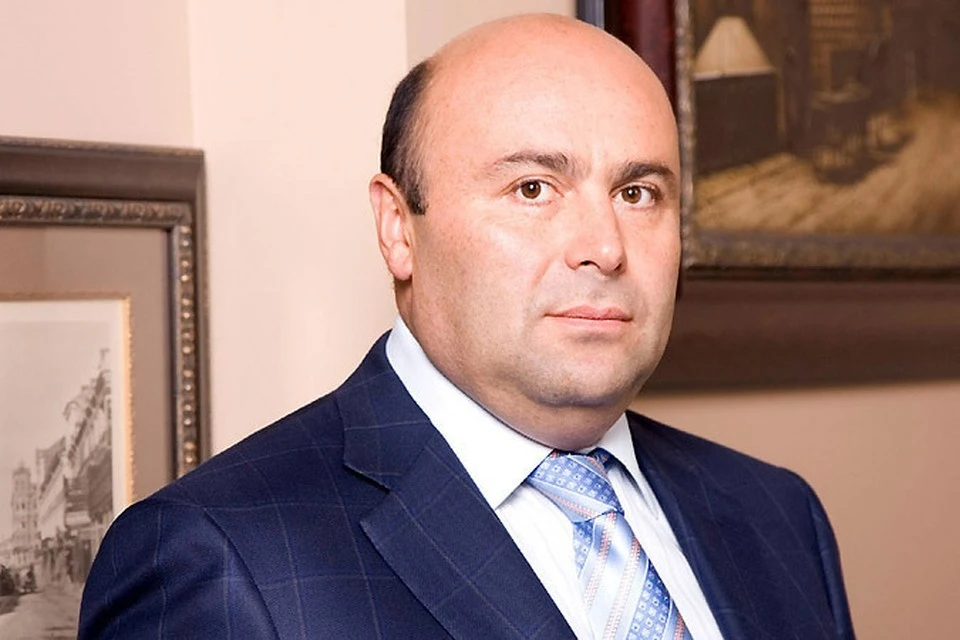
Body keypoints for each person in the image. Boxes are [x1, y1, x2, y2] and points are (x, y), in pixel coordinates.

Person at [78, 14, 854, 640]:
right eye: (533, 188)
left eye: (638, 193)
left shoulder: (776, 515)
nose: (605, 247)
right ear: (397, 228)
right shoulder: (222, 560)